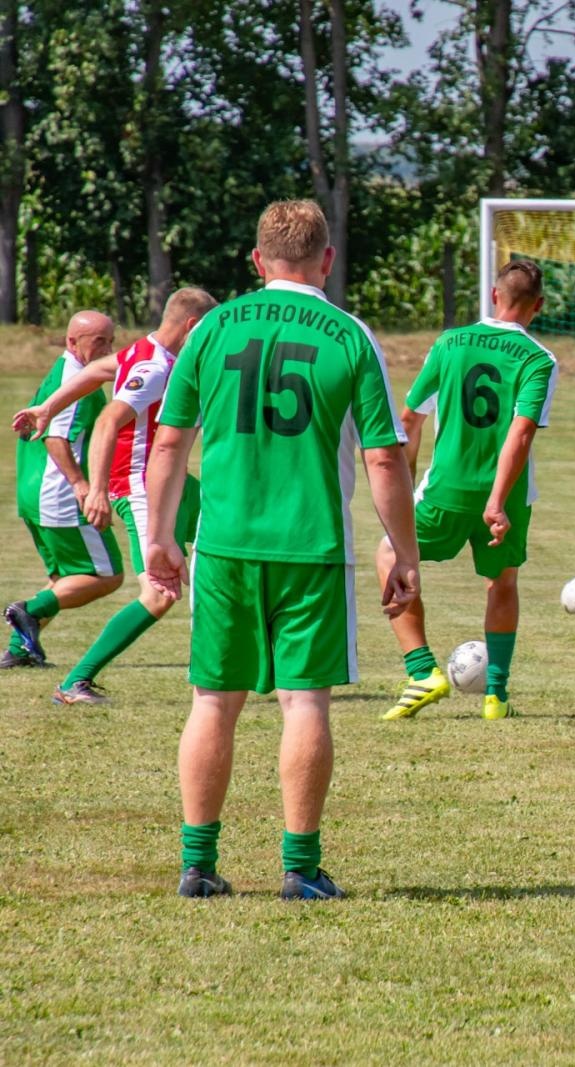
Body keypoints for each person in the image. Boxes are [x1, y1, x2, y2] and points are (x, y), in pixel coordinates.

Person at [142, 200, 421, 901]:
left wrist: (160, 536)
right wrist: (404, 551)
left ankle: (197, 865)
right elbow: (385, 458)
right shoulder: (349, 334)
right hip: (313, 547)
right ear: (326, 260)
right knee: (304, 704)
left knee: (213, 701)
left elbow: (170, 440)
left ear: (258, 260)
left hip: (226, 545)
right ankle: (300, 868)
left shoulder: (211, 328)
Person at [375, 259, 558, 722]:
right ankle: (495, 696)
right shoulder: (538, 359)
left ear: (494, 296)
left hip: (446, 489)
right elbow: (520, 434)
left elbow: (410, 418)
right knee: (502, 582)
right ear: (537, 306)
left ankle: (422, 671)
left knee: (389, 555)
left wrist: (404, 487)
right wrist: (497, 500)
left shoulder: (450, 343)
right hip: (509, 495)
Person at [43, 288, 217, 704]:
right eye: (208, 329)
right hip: (142, 486)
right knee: (158, 594)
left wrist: (47, 407)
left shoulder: (151, 352)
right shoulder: (155, 366)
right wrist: (98, 489)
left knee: (232, 543)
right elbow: (107, 421)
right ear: (193, 326)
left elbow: (97, 370)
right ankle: (75, 682)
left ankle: (230, 662)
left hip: (174, 480)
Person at [5, 311, 124, 667]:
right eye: (98, 340)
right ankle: (27, 610)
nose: (107, 348)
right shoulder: (77, 379)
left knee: (63, 577)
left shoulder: (63, 373)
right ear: (72, 341)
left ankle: (19, 649)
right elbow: (57, 436)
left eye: (110, 340)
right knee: (106, 575)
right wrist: (82, 485)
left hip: (33, 493)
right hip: (58, 494)